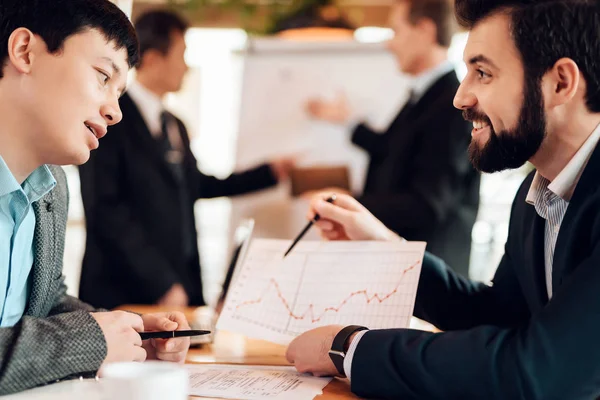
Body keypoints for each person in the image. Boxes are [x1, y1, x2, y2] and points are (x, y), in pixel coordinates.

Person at [286, 0, 600, 398]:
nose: (461, 98)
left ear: (560, 82)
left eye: (483, 73)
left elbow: (540, 371)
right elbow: (498, 316)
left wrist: (349, 348)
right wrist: (384, 248)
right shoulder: (536, 193)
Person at [0, 0, 191, 395]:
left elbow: (44, 304)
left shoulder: (51, 185)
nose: (115, 112)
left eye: (120, 92)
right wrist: (87, 343)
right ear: (24, 51)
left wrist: (128, 331)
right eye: (103, 76)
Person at [78, 10, 294, 310]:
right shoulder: (110, 117)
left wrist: (269, 173)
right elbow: (106, 209)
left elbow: (195, 185)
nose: (186, 67)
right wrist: (161, 283)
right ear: (152, 58)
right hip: (124, 292)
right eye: (181, 55)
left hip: (181, 287)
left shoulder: (174, 123)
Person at [305, 0, 480, 277]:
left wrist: (350, 204)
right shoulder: (425, 96)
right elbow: (392, 149)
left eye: (395, 31)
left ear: (424, 30)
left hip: (429, 277)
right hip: (406, 268)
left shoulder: (450, 104)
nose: (390, 44)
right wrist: (347, 122)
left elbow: (427, 204)